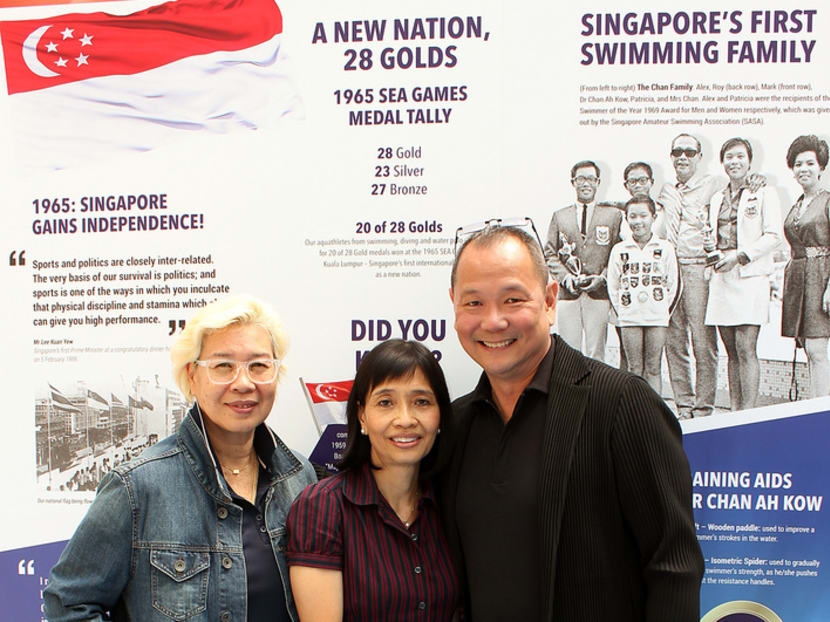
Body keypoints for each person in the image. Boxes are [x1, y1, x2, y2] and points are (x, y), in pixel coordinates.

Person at [443, 223, 703, 621]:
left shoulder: (620, 404)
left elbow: (674, 567)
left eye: (513, 300)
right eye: (473, 303)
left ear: (550, 301)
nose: (493, 322)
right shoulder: (456, 425)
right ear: (454, 305)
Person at [43, 294, 317, 622]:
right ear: (192, 376)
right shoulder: (137, 487)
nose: (243, 383)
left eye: (258, 366)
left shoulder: (300, 476)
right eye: (223, 366)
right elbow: (68, 603)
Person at [287, 339, 459, 622]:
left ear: (440, 415)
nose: (405, 419)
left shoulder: (448, 501)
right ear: (362, 416)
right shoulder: (323, 507)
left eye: (422, 402)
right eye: (386, 402)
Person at [705, 137, 782, 410]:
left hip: (749, 277)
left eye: (740, 157)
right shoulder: (716, 197)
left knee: (746, 348)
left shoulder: (764, 192)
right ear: (722, 162)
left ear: (750, 161)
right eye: (729, 157)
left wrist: (739, 257)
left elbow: (773, 236)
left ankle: (748, 414)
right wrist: (713, 253)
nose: (734, 162)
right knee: (731, 353)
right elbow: (711, 235)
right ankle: (735, 410)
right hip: (722, 276)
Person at [657, 133, 722, 418]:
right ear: (671, 157)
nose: (682, 157)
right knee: (674, 339)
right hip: (670, 268)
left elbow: (741, 190)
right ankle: (684, 405)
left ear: (699, 156)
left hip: (698, 268)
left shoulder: (714, 185)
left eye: (689, 152)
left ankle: (704, 407)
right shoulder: (666, 190)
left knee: (702, 340)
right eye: (677, 152)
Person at [545, 160, 623, 361]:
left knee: (596, 352)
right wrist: (565, 278)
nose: (586, 183)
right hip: (568, 294)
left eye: (590, 178)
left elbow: (618, 252)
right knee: (569, 353)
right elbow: (550, 253)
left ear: (598, 182)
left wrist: (603, 277)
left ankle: (595, 392)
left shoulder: (613, 215)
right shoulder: (560, 216)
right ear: (573, 182)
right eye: (581, 178)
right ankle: (572, 392)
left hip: (598, 294)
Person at [608, 197, 681, 393]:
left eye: (643, 216)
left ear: (653, 217)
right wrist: (623, 311)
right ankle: (635, 413)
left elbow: (673, 284)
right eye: (632, 216)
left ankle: (653, 415)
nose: (638, 221)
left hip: (656, 317)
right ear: (626, 218)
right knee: (634, 369)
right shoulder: (620, 249)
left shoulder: (665, 248)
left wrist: (663, 312)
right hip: (630, 317)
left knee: (653, 368)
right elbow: (613, 285)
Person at [782, 134, 830, 398]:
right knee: (809, 351)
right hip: (800, 281)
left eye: (810, 163)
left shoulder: (827, 201)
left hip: (821, 279)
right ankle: (817, 406)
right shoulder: (797, 205)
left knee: (817, 350)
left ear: (821, 167)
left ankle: (823, 414)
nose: (804, 169)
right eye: (798, 164)